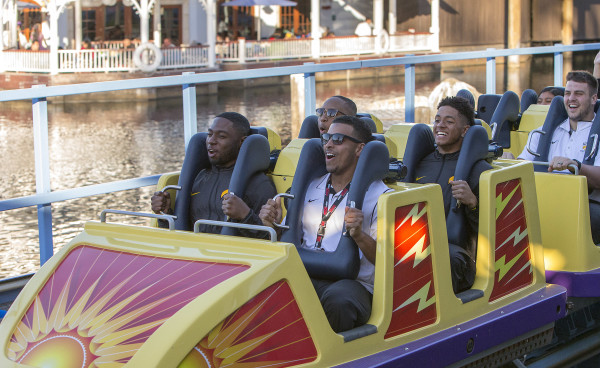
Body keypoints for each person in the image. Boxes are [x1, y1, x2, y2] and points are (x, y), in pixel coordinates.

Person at [260, 115, 391, 333]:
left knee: (338, 300)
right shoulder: (310, 186)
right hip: (308, 271)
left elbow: (387, 261)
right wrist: (271, 225)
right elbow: (288, 241)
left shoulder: (381, 195)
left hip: (355, 283)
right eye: (327, 138)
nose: (328, 144)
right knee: (268, 288)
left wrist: (359, 235)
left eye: (338, 139)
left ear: (360, 149)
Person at [414, 96, 492, 293]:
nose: (440, 125)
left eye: (449, 122)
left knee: (442, 259)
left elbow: (494, 228)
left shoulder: (479, 169)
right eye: (437, 120)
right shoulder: (421, 163)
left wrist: (473, 202)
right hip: (414, 241)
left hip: (457, 253)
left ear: (465, 130)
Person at [151, 112, 276, 234]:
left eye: (221, 136)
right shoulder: (199, 178)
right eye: (209, 134)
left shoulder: (258, 184)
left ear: (242, 142)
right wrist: (165, 214)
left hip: (231, 253)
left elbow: (269, 240)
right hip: (193, 252)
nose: (211, 141)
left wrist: (245, 215)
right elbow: (182, 231)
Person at [518, 70, 600, 244]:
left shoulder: (597, 135)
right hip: (542, 201)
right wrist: (509, 160)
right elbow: (521, 165)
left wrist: (575, 165)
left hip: (583, 204)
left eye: (579, 94)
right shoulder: (541, 133)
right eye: (568, 93)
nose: (571, 99)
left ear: (594, 99)